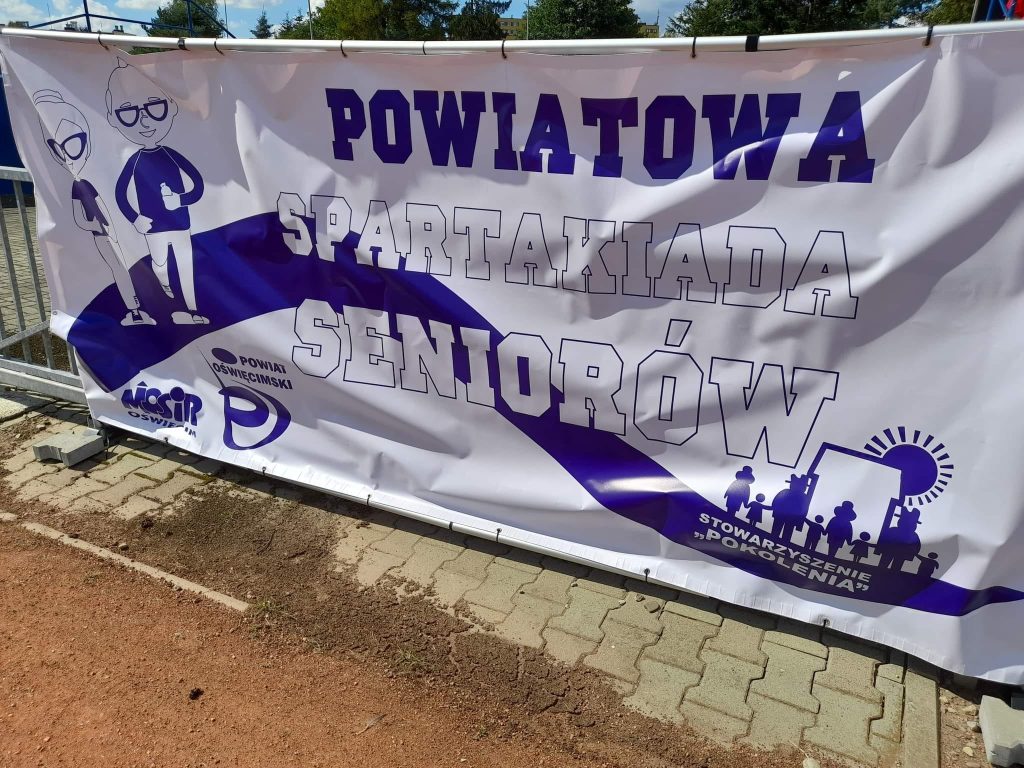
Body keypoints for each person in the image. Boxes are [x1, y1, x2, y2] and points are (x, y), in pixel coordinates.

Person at [33, 90, 155, 327]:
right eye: (60, 147)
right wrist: (99, 226)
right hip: (102, 236)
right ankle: (134, 310)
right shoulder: (78, 185)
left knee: (126, 269)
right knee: (119, 270)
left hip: (111, 234)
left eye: (76, 143)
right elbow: (80, 218)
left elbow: (104, 207)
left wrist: (113, 227)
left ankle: (138, 309)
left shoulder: (88, 180)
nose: (70, 153)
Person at [106, 58, 208, 325]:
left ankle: (193, 310)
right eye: (129, 113)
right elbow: (120, 194)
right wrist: (135, 218)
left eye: (155, 108)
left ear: (171, 108)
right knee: (160, 265)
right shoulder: (135, 160)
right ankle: (168, 298)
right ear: (114, 119)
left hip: (180, 223)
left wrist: (181, 200)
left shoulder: (171, 155)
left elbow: (198, 185)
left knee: (186, 266)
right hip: (153, 228)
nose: (144, 121)